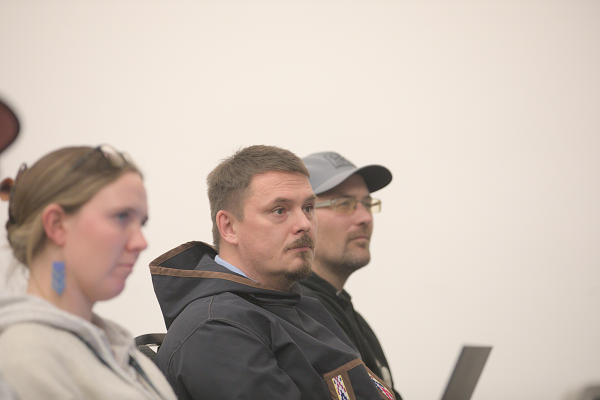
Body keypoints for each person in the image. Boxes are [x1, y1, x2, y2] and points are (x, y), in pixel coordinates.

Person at [150, 145, 396, 400]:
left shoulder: (297, 306)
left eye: (308, 208)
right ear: (229, 226)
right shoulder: (215, 329)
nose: (304, 224)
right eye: (280, 210)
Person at [0, 145, 177, 400]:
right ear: (57, 225)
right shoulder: (24, 357)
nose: (141, 241)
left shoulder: (125, 353)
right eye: (121, 217)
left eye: (141, 222)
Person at [299, 151, 401, 398]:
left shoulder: (345, 311)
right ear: (302, 217)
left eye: (367, 204)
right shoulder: (301, 318)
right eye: (343, 204)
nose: (365, 218)